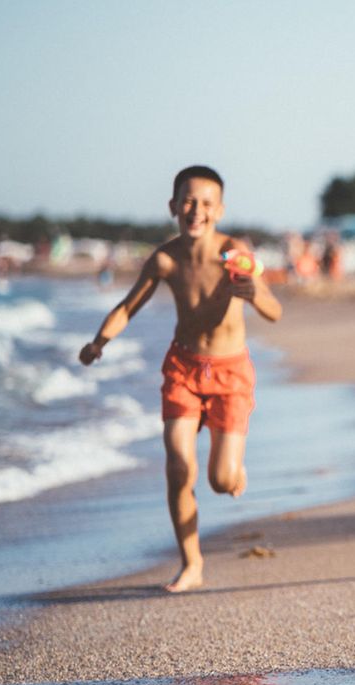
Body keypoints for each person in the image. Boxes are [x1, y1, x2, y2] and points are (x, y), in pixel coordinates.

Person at [78, 165, 282, 592]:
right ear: (173, 206)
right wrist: (99, 342)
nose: (197, 210)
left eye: (207, 203)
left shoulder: (234, 254)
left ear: (220, 210)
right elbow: (127, 307)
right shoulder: (166, 258)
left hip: (230, 372)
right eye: (188, 201)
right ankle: (191, 562)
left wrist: (253, 292)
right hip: (183, 369)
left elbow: (274, 310)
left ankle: (233, 472)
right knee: (177, 467)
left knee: (221, 481)